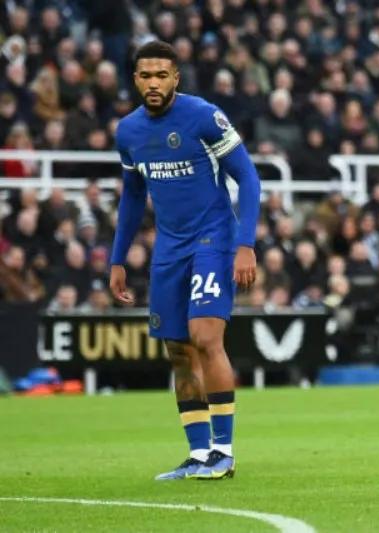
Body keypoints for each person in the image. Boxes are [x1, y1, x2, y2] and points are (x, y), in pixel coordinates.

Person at [109, 40, 261, 480]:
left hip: (213, 238)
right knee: (178, 349)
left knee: (205, 337)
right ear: (135, 80)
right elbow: (133, 197)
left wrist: (245, 244)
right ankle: (198, 455)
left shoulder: (203, 116)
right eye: (145, 75)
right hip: (169, 247)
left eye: (162, 74)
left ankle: (224, 452)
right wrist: (118, 259)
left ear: (176, 77)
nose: (153, 83)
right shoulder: (129, 132)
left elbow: (247, 178)